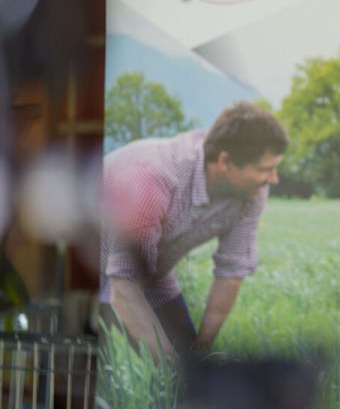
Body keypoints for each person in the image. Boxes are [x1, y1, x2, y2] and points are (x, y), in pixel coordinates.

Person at [100, 101, 287, 359]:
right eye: (265, 169)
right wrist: (169, 363)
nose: (274, 179)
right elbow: (123, 282)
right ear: (225, 161)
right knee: (97, 377)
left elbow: (231, 271)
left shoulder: (252, 191)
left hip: (152, 273)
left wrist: (202, 349)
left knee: (189, 361)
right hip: (83, 268)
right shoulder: (152, 177)